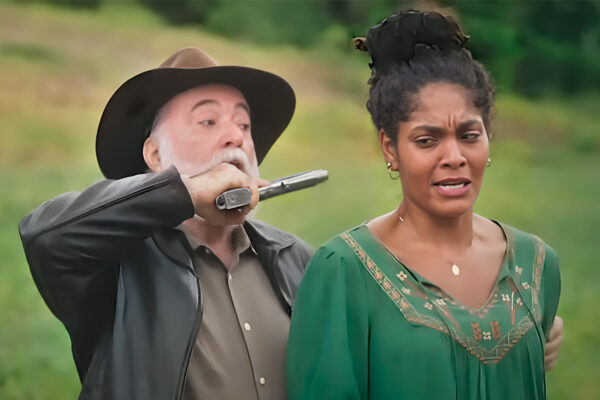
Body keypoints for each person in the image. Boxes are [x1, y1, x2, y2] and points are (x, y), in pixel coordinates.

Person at [286, 10, 561, 400]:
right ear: (389, 148)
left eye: (469, 135)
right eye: (426, 140)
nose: (454, 156)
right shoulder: (344, 272)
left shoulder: (536, 267)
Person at [18, 47, 313, 400]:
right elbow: (43, 237)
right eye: (208, 121)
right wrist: (185, 193)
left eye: (244, 124)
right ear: (155, 156)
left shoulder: (295, 257)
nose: (236, 136)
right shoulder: (115, 264)